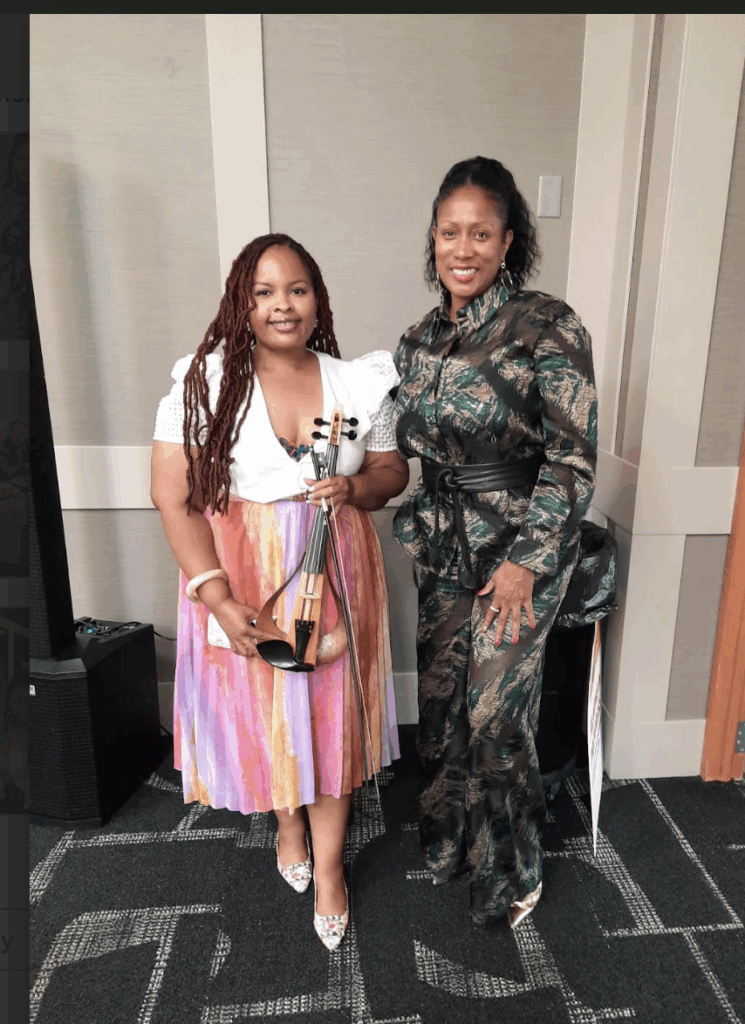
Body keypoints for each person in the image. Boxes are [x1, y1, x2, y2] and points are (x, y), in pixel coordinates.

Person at [151, 233, 408, 950]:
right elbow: (171, 495)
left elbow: (391, 472)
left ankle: (330, 870)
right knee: (266, 712)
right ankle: (286, 822)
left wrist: (354, 487)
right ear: (242, 303)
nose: (282, 305)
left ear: (318, 299)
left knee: (329, 713)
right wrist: (215, 595)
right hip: (244, 571)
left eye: (296, 289)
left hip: (339, 570)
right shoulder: (204, 382)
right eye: (263, 292)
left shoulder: (358, 382)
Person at [392, 156, 597, 929]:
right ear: (432, 238)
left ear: (509, 241)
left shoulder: (546, 323)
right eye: (450, 232)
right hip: (442, 544)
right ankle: (450, 841)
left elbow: (572, 459)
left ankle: (511, 869)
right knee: (441, 705)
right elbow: (405, 447)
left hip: (518, 547)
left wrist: (525, 563)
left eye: (481, 233)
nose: (463, 248)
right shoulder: (417, 341)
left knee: (496, 716)